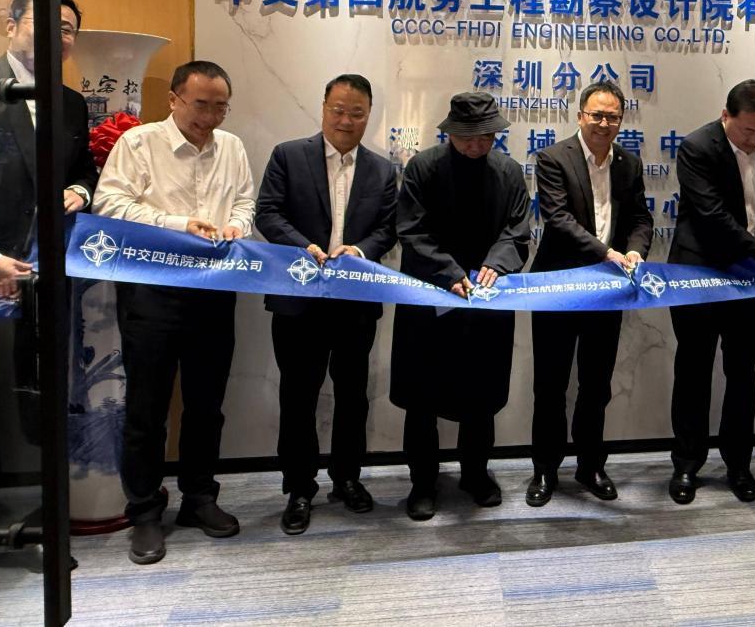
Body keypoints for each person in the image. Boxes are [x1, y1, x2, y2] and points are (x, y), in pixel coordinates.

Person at [93, 60, 255, 565]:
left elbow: (245, 201)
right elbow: (109, 205)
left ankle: (199, 497)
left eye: (220, 107)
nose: (210, 117)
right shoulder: (139, 143)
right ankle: (144, 510)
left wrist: (237, 226)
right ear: (174, 99)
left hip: (213, 290)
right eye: (201, 105)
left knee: (207, 403)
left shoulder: (232, 147)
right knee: (147, 408)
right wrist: (177, 223)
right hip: (152, 292)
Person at [255, 74, 398, 535]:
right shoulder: (288, 155)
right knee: (298, 395)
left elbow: (388, 228)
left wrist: (360, 250)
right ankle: (299, 488)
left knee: (353, 396)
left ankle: (347, 478)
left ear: (368, 116)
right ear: (323, 107)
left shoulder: (382, 170)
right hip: (299, 299)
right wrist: (305, 246)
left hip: (354, 301)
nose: (346, 120)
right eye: (338, 110)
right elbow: (267, 212)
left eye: (357, 113)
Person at [389, 92, 530, 521]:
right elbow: (411, 229)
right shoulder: (423, 167)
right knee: (422, 397)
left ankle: (476, 474)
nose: (476, 145)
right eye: (468, 137)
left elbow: (517, 230)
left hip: (485, 299)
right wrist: (448, 271)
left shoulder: (508, 172)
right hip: (430, 297)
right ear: (450, 133)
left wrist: (496, 264)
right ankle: (422, 482)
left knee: (481, 395)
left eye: (485, 137)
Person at [667, 79, 755, 505]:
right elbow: (713, 216)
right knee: (694, 370)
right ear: (726, 116)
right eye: (748, 130)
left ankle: (739, 464)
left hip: (749, 280)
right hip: (699, 274)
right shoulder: (697, 147)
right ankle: (687, 463)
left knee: (742, 372)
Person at [526, 81, 653, 507]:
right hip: (558, 288)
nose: (604, 123)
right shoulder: (552, 158)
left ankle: (590, 465)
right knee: (550, 385)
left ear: (621, 120)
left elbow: (640, 218)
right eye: (596, 115)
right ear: (580, 115)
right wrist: (606, 252)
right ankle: (545, 469)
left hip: (606, 291)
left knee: (596, 384)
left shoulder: (629, 164)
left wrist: (634, 251)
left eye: (612, 117)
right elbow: (558, 219)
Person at [0, 0, 98, 298]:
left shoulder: (72, 103)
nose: (55, 35)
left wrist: (79, 192)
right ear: (11, 27)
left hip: (51, 265)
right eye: (43, 23)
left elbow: (85, 171)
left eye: (65, 29)